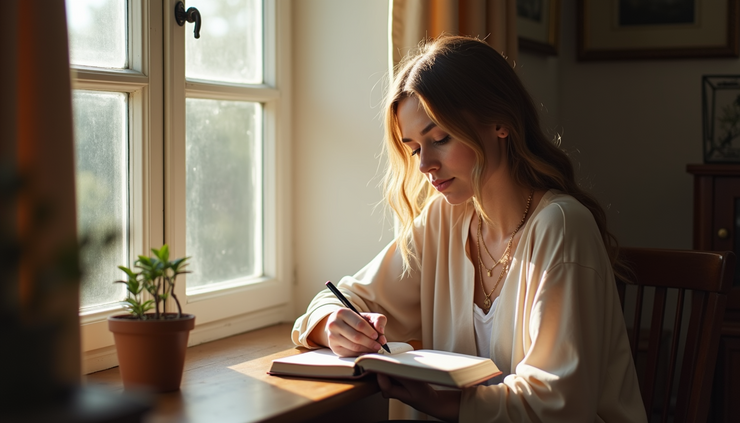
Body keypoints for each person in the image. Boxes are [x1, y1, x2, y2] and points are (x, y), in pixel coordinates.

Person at [292, 35, 646, 423]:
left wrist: (447, 403)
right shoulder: (444, 220)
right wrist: (333, 326)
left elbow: (558, 404)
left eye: (439, 138)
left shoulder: (561, 226)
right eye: (413, 148)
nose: (425, 164)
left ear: (500, 123)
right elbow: (341, 299)